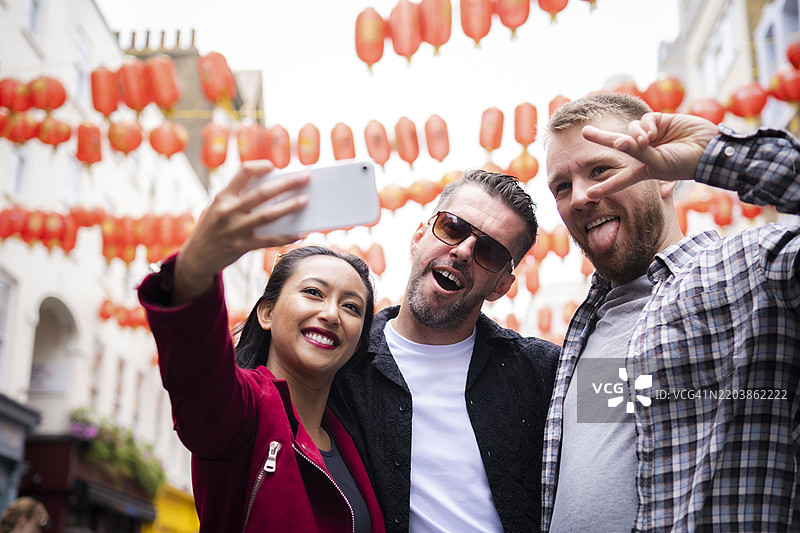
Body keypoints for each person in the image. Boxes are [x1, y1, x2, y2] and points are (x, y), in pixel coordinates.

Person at [541, 92, 800, 532]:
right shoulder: (586, 328)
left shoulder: (747, 271)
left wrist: (719, 156)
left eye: (601, 169)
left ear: (663, 176)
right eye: (562, 186)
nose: (580, 197)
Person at [137, 161, 385, 533]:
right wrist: (195, 270)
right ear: (266, 312)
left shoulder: (355, 445)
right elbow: (200, 374)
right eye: (313, 292)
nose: (331, 314)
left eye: (352, 307)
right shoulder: (243, 411)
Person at [328, 169, 560, 532]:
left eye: (489, 250)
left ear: (501, 285)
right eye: (452, 227)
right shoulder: (341, 363)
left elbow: (641, 405)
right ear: (419, 237)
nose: (464, 251)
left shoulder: (545, 370)